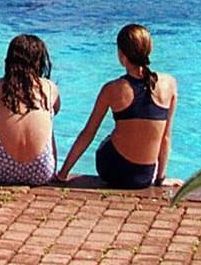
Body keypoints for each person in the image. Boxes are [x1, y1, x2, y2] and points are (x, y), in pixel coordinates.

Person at [57, 24, 180, 190]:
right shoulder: (169, 84)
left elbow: (88, 133)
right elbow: (166, 137)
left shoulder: (112, 89)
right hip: (145, 176)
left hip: (115, 172)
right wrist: (160, 179)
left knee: (108, 141)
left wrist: (63, 173)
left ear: (122, 56)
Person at [0, 34, 61, 186]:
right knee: (48, 109)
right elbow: (56, 109)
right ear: (40, 62)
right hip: (42, 172)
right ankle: (39, 157)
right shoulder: (50, 88)